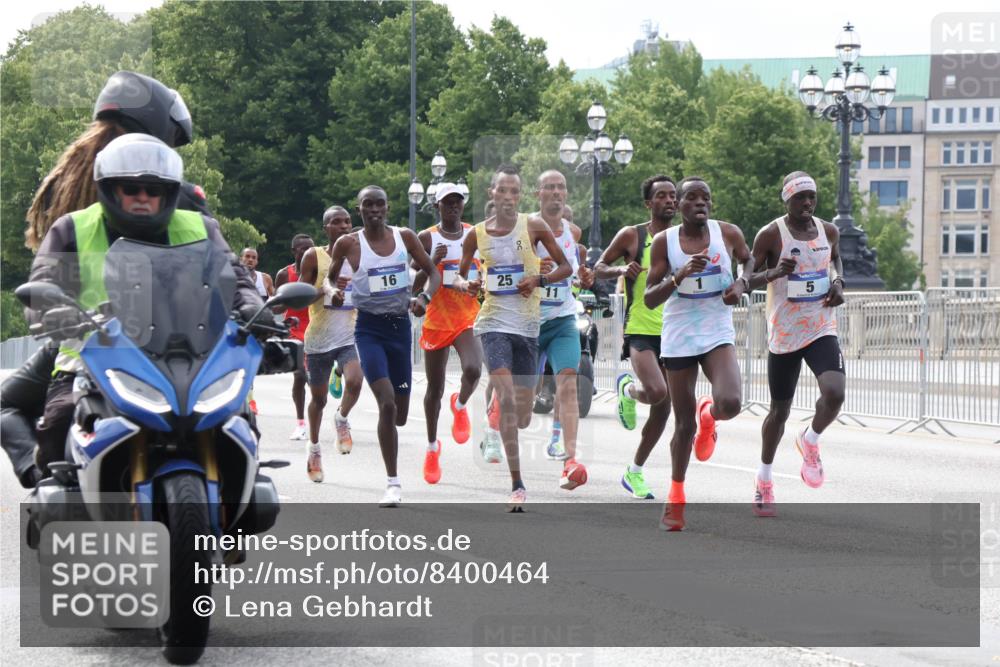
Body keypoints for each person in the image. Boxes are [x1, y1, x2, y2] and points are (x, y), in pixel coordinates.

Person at [2, 70, 209, 488]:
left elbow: (49, 264)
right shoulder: (177, 193)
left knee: (10, 405)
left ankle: (44, 478)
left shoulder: (68, 182)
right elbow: (214, 266)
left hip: (86, 335)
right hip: (170, 339)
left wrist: (59, 312)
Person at [27, 133, 266, 477]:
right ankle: (59, 497)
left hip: (189, 359)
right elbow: (44, 281)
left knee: (238, 423)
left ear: (168, 193)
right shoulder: (73, 229)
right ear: (109, 190)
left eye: (153, 190)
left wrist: (255, 309)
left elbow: (237, 279)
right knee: (60, 423)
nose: (142, 197)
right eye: (131, 188)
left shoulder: (200, 227)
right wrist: (49, 309)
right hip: (92, 361)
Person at [452, 164, 573, 511]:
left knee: (522, 415)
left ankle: (501, 414)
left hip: (528, 328)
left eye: (514, 191)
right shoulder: (476, 234)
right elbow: (458, 276)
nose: (508, 197)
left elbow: (566, 267)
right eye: (502, 190)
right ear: (491, 193)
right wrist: (467, 284)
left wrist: (538, 281)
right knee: (506, 397)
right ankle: (517, 483)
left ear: (520, 196)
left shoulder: (533, 226)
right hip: (493, 324)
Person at [644, 176, 754, 530]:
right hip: (679, 335)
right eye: (691, 198)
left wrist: (741, 283)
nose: (700, 203)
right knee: (683, 424)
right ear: (678, 205)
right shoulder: (665, 242)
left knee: (731, 403)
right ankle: (675, 497)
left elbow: (749, 261)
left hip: (716, 330)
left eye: (705, 197)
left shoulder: (728, 233)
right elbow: (650, 297)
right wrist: (678, 276)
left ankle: (711, 416)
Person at [326, 185, 440, 507]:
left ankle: (380, 439)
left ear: (388, 208)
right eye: (368, 205)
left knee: (400, 415)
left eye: (379, 204)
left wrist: (424, 298)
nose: (374, 210)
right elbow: (329, 279)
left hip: (400, 329)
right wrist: (333, 291)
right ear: (359, 210)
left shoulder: (405, 237)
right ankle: (392, 482)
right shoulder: (349, 244)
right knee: (386, 404)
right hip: (369, 329)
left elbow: (433, 272)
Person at [746, 172, 845, 517]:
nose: (807, 203)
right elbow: (745, 280)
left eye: (811, 197)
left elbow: (835, 259)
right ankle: (764, 478)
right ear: (787, 200)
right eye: (800, 197)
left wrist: (839, 282)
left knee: (835, 393)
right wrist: (773, 273)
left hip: (820, 326)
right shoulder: (771, 234)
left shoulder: (828, 230)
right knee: (779, 412)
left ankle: (810, 440)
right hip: (785, 334)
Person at [595, 175, 677, 500]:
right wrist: (620, 270)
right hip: (640, 327)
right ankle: (628, 389)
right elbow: (598, 266)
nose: (669, 200)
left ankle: (635, 471)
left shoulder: (682, 238)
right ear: (648, 203)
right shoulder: (633, 235)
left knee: (663, 410)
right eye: (662, 195)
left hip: (674, 331)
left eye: (673, 195)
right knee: (656, 391)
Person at [411, 183, 483, 485]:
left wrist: (482, 286)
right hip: (437, 320)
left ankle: (461, 404)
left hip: (467, 316)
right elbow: (414, 284)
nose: (453, 206)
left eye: (457, 202)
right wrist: (433, 261)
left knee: (473, 369)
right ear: (436, 206)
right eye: (447, 202)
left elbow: (484, 270)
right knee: (434, 389)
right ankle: (432, 447)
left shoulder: (474, 233)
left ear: (463, 205)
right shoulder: (427, 237)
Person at [531, 170, 592, 488]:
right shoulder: (524, 228)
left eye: (561, 187)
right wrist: (532, 269)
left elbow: (577, 274)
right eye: (550, 187)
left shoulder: (574, 233)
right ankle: (495, 417)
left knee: (568, 384)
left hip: (563, 320)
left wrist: (587, 278)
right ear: (538, 194)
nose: (556, 192)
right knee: (523, 401)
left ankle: (570, 461)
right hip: (527, 323)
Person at [297, 208, 363, 482]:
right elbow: (299, 297)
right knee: (319, 399)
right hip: (319, 339)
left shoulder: (360, 253)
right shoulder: (314, 256)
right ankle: (314, 448)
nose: (344, 226)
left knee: (356, 381)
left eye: (347, 221)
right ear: (326, 228)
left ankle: (342, 418)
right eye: (336, 222)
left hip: (349, 335)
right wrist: (326, 290)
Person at [274, 234, 315, 441]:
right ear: (294, 251)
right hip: (295, 329)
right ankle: (300, 423)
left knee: (316, 377)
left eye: (310, 248)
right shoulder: (284, 274)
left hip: (317, 327)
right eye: (303, 249)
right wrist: (286, 300)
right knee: (300, 374)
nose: (307, 252)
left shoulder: (319, 271)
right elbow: (277, 307)